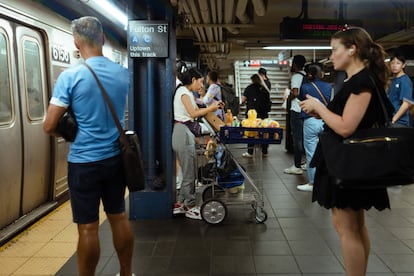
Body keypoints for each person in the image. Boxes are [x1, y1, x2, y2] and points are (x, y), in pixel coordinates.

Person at [43, 17, 134, 276]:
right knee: (119, 217)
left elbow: (49, 125)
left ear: (76, 43)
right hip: (116, 159)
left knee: (88, 228)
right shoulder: (121, 73)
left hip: (83, 162)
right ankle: (126, 272)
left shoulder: (70, 76)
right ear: (102, 39)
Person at [300, 26, 392, 276]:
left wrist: (319, 106)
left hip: (350, 163)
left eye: (334, 49)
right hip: (354, 161)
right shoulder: (361, 80)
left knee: (346, 227)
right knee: (355, 225)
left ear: (352, 49)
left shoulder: (362, 82)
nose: (332, 56)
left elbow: (345, 127)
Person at [172, 68, 223, 219]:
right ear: (193, 80)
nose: (201, 85)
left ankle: (181, 203)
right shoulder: (183, 92)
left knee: (188, 170)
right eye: (200, 82)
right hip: (182, 132)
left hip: (183, 132)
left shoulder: (185, 92)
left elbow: (196, 108)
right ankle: (190, 206)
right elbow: (193, 114)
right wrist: (212, 107)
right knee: (189, 172)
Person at [296, 63, 332, 192]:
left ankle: (313, 183)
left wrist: (307, 80)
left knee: (311, 152)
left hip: (310, 121)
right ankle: (327, 181)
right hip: (326, 120)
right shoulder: (328, 86)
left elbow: (300, 98)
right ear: (321, 74)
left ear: (309, 75)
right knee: (327, 152)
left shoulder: (305, 87)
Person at [284, 55, 306, 175]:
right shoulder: (307, 75)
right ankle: (305, 163)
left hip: (296, 110)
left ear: (295, 64)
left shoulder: (296, 76)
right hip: (306, 110)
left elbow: (295, 92)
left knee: (297, 139)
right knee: (305, 138)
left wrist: (289, 97)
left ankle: (297, 165)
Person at [241, 73, 271, 157]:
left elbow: (243, 100)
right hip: (263, 114)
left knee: (251, 132)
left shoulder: (249, 88)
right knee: (264, 133)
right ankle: (264, 151)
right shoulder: (265, 89)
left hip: (252, 115)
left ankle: (250, 152)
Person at [388, 52, 413, 127]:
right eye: (392, 63)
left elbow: (406, 103)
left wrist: (394, 119)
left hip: (399, 122)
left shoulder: (405, 80)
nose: (394, 66)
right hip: (389, 119)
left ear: (403, 65)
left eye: (398, 63)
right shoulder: (392, 80)